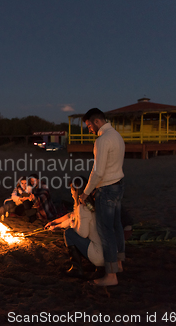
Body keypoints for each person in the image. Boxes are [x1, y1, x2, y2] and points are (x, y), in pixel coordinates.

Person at [79, 108, 125, 286]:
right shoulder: (117, 136)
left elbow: (98, 172)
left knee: (106, 232)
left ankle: (111, 276)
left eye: (89, 125)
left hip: (106, 189)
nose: (89, 129)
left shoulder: (102, 140)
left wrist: (86, 192)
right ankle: (119, 264)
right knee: (116, 226)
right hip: (119, 185)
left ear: (97, 122)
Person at [45, 176, 104, 278]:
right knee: (71, 232)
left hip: (98, 255)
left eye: (72, 189)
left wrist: (71, 225)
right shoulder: (91, 204)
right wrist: (56, 224)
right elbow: (73, 216)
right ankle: (91, 265)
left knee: (69, 233)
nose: (71, 192)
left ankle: (77, 268)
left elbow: (82, 233)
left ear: (77, 191)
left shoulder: (83, 208)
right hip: (106, 255)